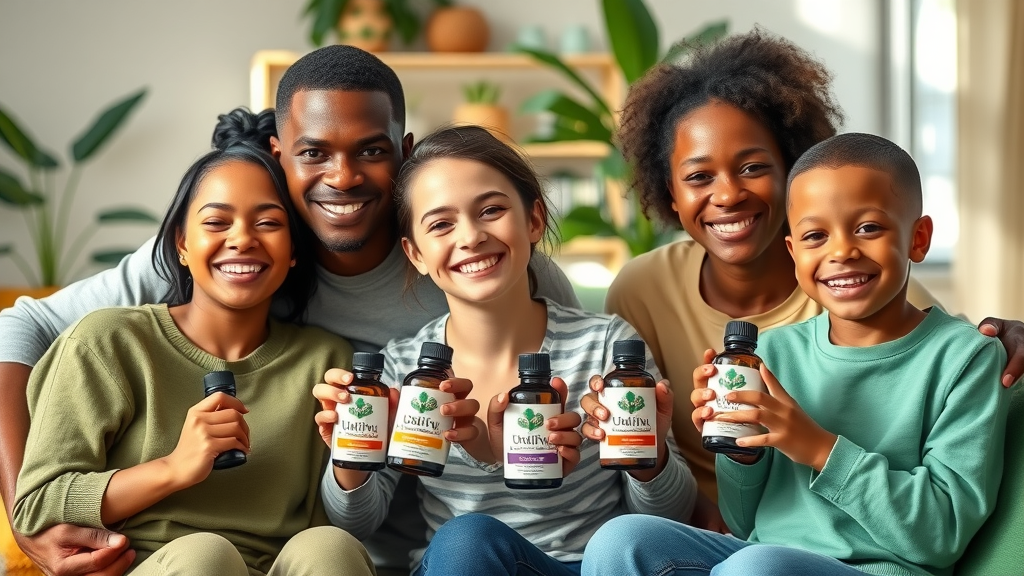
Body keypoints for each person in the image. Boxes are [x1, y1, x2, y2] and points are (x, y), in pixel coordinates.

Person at [0, 46, 580, 575]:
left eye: (371, 151)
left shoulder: (487, 264)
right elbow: (20, 325)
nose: (344, 177)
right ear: (281, 154)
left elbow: (575, 395)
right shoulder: (225, 255)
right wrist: (32, 524)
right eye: (314, 153)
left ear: (403, 153)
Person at [593, 29, 1024, 503]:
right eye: (699, 177)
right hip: (696, 527)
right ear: (671, 196)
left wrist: (1007, 335)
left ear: (791, 173)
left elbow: (946, 351)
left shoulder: (853, 285)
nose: (728, 194)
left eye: (753, 167)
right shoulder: (642, 289)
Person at [580, 132, 1013, 576]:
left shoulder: (964, 358)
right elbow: (745, 521)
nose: (841, 251)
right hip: (760, 557)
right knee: (622, 541)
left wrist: (819, 448)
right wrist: (741, 451)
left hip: (872, 569)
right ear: (793, 252)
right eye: (815, 236)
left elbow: (941, 535)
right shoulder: (772, 352)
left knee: (754, 568)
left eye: (868, 228)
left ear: (918, 239)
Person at [313, 126, 697, 575]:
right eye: (441, 224)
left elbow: (665, 521)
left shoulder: (608, 346)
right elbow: (354, 522)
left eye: (491, 210)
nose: (471, 237)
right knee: (467, 539)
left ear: (533, 220)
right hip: (463, 563)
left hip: (587, 565)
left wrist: (650, 458)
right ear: (415, 253)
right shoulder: (402, 370)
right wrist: (348, 459)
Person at [12, 108, 374, 575]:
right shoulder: (109, 342)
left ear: (294, 252)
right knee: (207, 556)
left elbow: (329, 522)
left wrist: (355, 452)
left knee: (329, 547)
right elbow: (37, 502)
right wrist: (174, 468)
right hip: (153, 565)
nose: (242, 240)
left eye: (268, 223)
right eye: (216, 222)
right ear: (181, 244)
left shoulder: (326, 361)